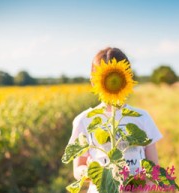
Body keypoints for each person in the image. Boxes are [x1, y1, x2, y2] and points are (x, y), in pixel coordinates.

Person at [68, 47, 163, 193]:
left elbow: (153, 167)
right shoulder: (84, 120)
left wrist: (138, 187)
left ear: (128, 78)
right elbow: (78, 167)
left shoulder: (142, 118)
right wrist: (95, 174)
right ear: (94, 82)